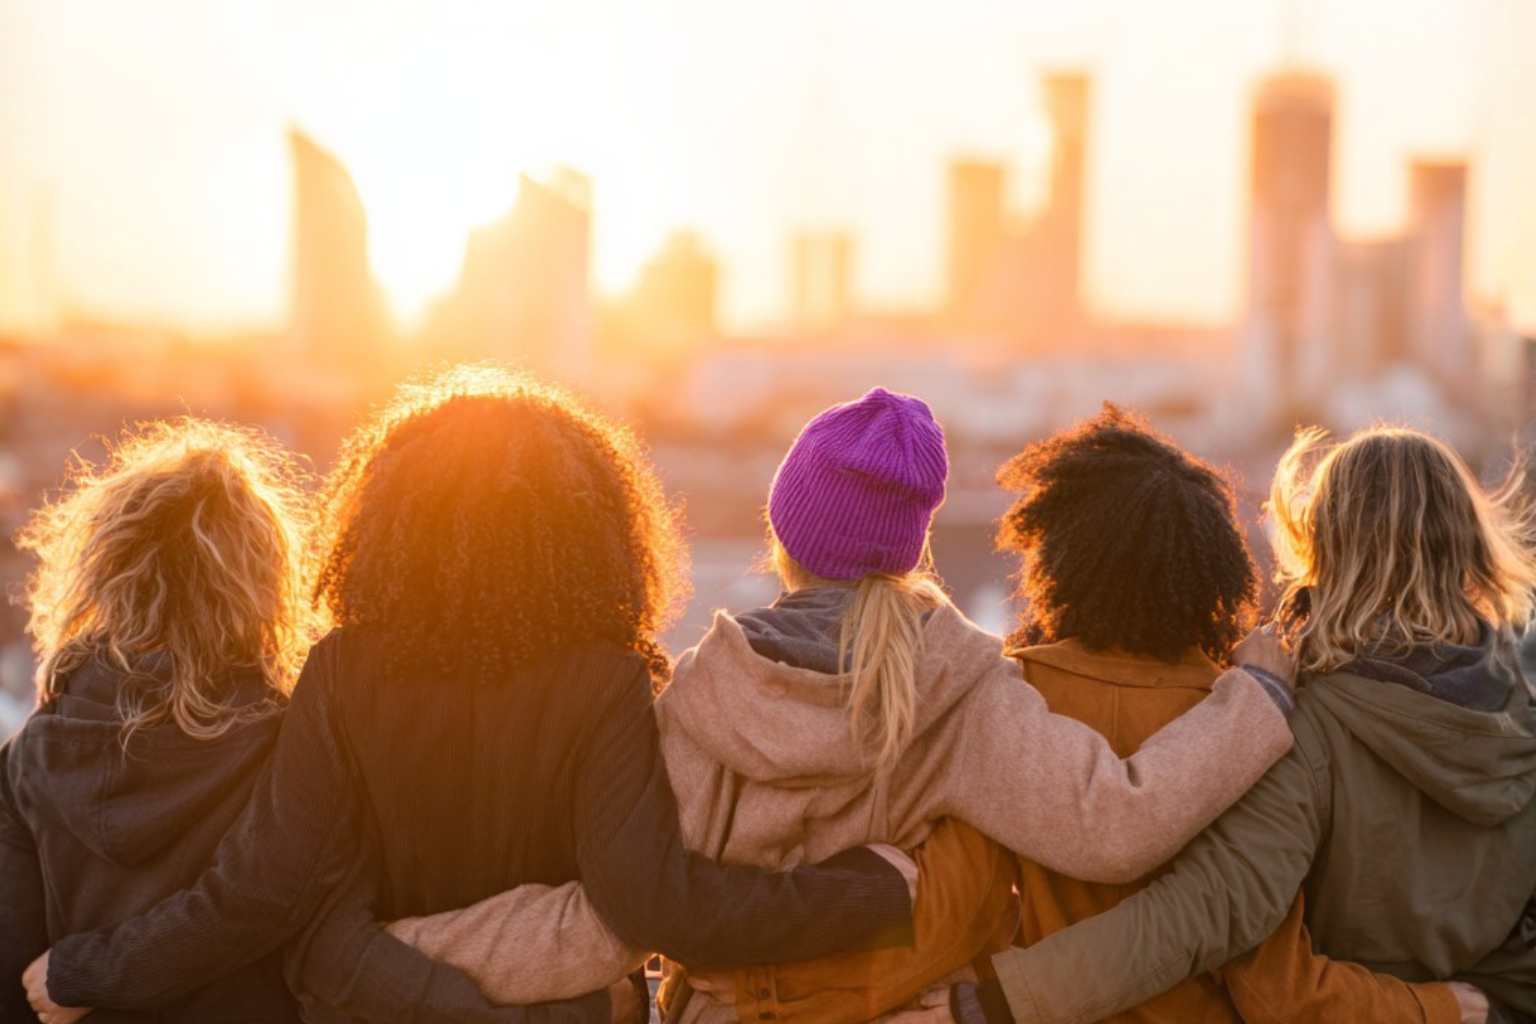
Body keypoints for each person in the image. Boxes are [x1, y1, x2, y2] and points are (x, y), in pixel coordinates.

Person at [356, 388, 1302, 1024]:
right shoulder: (957, 689)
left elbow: (605, 922)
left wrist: (390, 950)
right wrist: (1257, 694)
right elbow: (1116, 821)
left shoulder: (703, 697)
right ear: (908, 544)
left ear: (783, 529)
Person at [24, 367, 923, 1024]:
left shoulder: (341, 670)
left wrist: (84, 971)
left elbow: (265, 893)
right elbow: (656, 907)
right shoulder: (607, 681)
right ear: (591, 529)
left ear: (386, 519)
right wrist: (883, 893)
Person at [963, 425, 1535, 1024]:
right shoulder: (1521, 718)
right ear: (1472, 549)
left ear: (1325, 548)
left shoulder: (1304, 729)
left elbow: (1209, 915)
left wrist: (996, 1003)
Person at [0, 419, 316, 1023]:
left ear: (106, 569)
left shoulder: (33, 752)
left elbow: (12, 957)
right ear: (262, 583)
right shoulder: (291, 737)